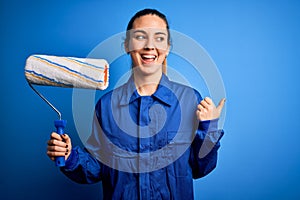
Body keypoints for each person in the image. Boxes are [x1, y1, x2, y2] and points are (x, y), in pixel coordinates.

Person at [47, 8, 225, 200]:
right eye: (140, 36)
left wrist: (208, 128)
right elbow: (95, 169)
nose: (149, 46)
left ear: (168, 48)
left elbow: (201, 169)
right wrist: (68, 156)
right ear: (126, 45)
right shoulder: (107, 106)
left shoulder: (189, 100)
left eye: (158, 38)